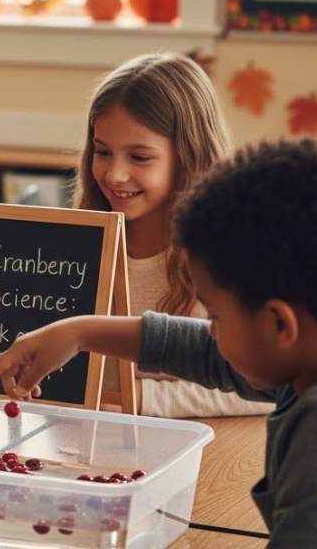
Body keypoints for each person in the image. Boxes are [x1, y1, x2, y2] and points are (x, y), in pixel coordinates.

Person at [0, 138, 317, 547]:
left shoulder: (316, 426)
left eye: (214, 316)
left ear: (278, 324)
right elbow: (203, 352)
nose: (210, 331)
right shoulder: (302, 363)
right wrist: (78, 332)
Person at [73, 52, 270, 417]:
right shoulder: (79, 244)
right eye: (103, 152)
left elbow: (264, 386)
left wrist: (141, 398)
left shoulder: (230, 259)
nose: (115, 175)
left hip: (207, 450)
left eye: (140, 157)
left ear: (188, 156)